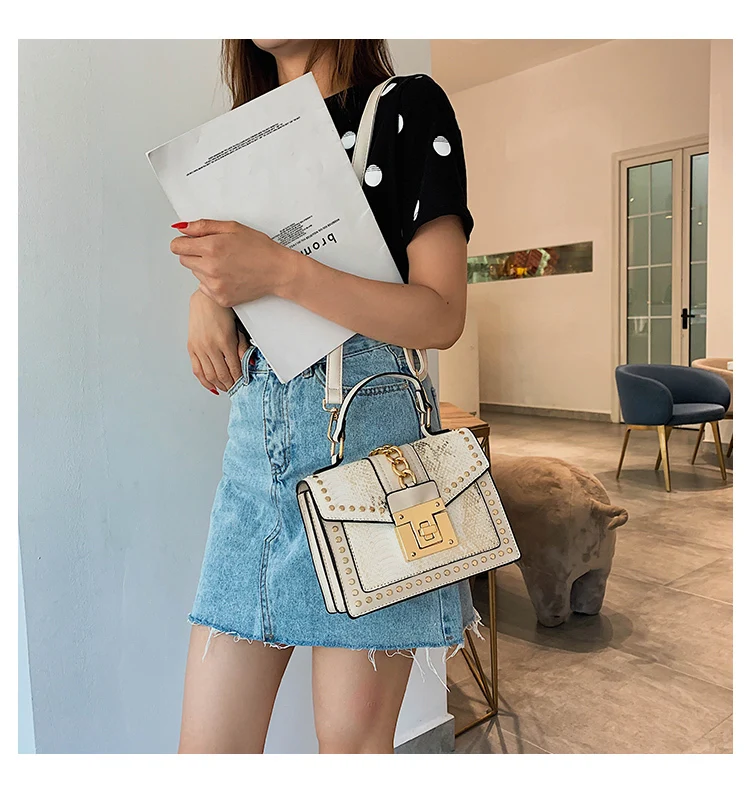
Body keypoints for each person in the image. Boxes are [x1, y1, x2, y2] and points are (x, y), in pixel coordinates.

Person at [172, 39, 481, 755]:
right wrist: (208, 298)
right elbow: (243, 284)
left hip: (372, 461)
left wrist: (280, 271)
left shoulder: (406, 107)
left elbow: (441, 314)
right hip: (258, 468)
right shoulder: (240, 146)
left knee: (351, 756)